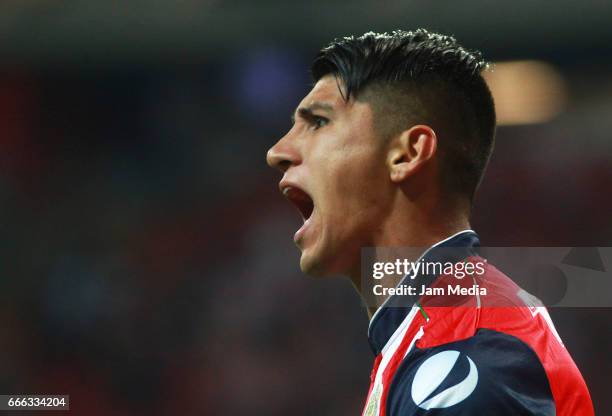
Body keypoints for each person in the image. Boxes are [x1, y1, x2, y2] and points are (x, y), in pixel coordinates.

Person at [266, 29, 593, 415]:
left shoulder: (463, 360)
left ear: (407, 155)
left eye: (318, 122)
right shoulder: (431, 334)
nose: (278, 152)